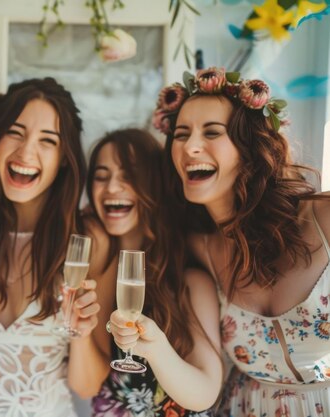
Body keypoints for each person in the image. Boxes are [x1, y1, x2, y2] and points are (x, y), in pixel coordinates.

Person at [156, 67, 330, 415]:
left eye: (212, 132)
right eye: (181, 134)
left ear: (248, 146)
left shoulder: (323, 219)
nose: (190, 146)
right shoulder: (197, 250)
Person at [0, 77, 100, 416]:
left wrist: (82, 334)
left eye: (48, 140)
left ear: (65, 159)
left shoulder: (88, 243)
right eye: (15, 132)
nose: (26, 152)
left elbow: (87, 386)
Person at [71, 129, 221, 416]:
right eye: (101, 176)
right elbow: (85, 385)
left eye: (128, 175)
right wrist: (79, 331)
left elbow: (205, 393)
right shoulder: (100, 273)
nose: (112, 187)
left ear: (155, 186)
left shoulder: (189, 281)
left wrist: (155, 349)